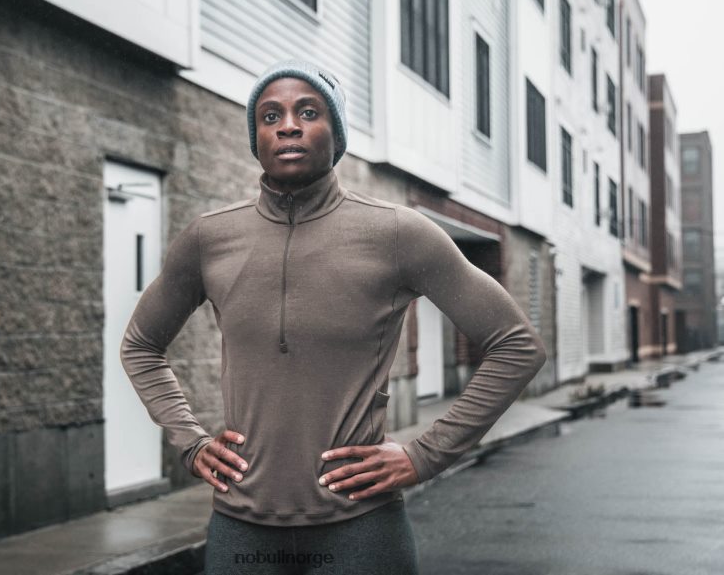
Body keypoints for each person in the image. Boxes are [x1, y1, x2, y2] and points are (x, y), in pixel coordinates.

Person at [120, 59, 547, 575]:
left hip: (361, 529)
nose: (288, 126)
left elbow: (517, 346)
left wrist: (425, 455)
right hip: (241, 528)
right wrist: (191, 443)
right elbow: (140, 345)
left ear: (336, 133)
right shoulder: (209, 238)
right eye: (270, 116)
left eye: (308, 112)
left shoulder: (397, 234)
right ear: (256, 139)